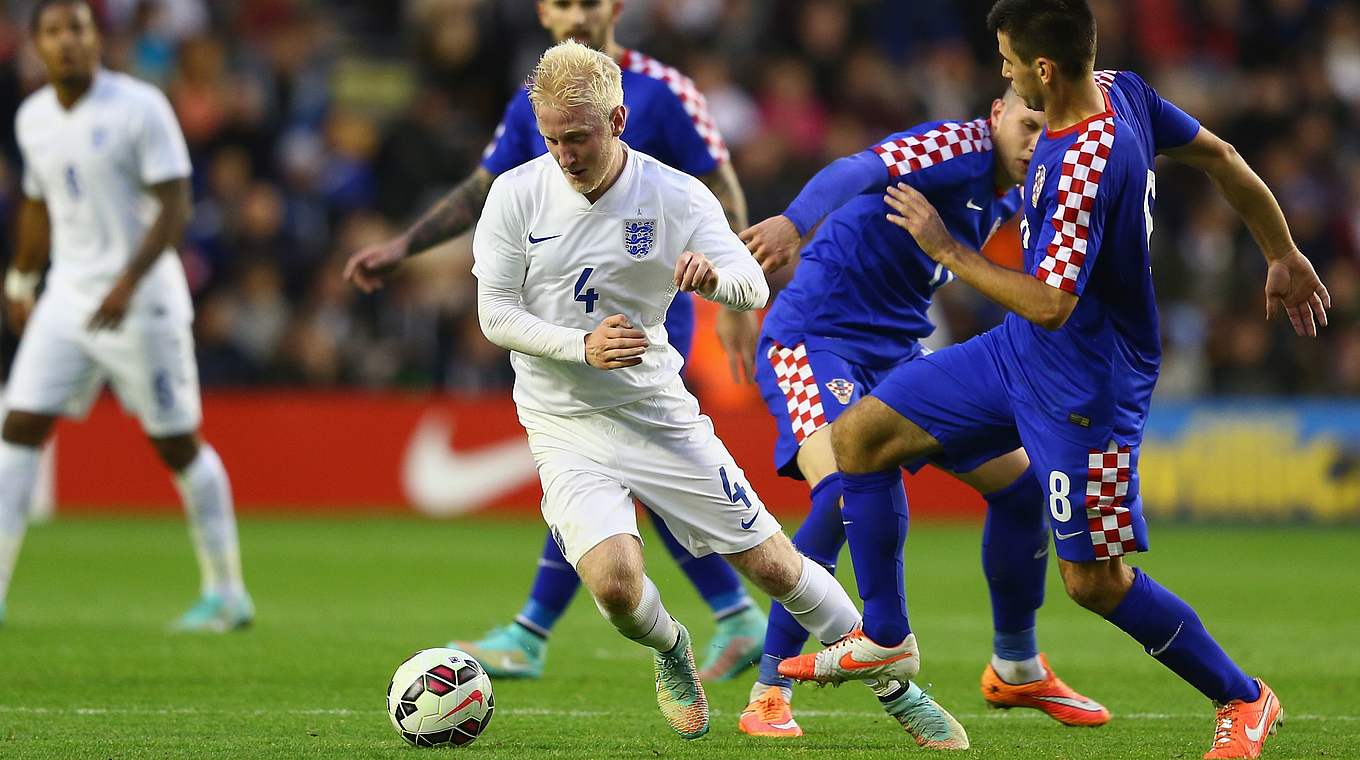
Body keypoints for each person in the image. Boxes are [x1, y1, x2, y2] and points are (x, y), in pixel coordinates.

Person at [780, 2, 1328, 758]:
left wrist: (949, 249)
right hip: (1020, 352)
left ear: (1043, 68)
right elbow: (1223, 157)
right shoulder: (1125, 89)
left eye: (1008, 59)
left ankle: (1243, 697)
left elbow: (1051, 302)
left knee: (1094, 582)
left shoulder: (1080, 164)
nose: (1001, 69)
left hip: (1087, 383)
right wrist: (1281, 250)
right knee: (862, 435)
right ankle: (887, 635)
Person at [461, 39, 881, 740]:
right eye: (552, 139)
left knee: (772, 564)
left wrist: (716, 281)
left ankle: (899, 686)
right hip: (562, 423)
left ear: (618, 120)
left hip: (655, 413)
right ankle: (672, 648)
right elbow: (495, 315)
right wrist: (580, 347)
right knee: (616, 586)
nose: (564, 155)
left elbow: (751, 283)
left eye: (578, 137)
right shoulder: (515, 194)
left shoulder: (675, 194)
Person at [343, 0, 766, 682]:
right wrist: (405, 245)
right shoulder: (534, 102)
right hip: (571, 312)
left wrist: (733, 300)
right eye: (561, 3)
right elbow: (484, 188)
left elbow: (719, 188)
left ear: (613, 8)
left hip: (648, 311)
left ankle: (545, 630)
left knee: (617, 456)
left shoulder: (664, 90)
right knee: (593, 464)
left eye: (587, 2)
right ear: (543, 13)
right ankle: (719, 614)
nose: (575, 15)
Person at [736, 89, 1109, 740]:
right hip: (815, 341)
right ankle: (770, 689)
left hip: (899, 354)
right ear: (996, 114)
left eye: (1046, 129)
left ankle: (1017, 667)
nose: (1034, 141)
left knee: (1022, 488)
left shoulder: (1019, 191)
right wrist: (794, 223)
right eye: (1026, 124)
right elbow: (858, 168)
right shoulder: (956, 147)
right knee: (841, 496)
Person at [0, 0, 251, 632]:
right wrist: (22, 277)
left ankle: (227, 592)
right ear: (36, 45)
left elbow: (176, 205)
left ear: (97, 39)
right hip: (67, 297)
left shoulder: (139, 107)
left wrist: (128, 281)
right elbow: (37, 205)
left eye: (78, 29)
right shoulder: (32, 117)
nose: (67, 41)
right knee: (19, 427)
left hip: (142, 301)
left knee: (177, 444)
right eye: (54, 31)